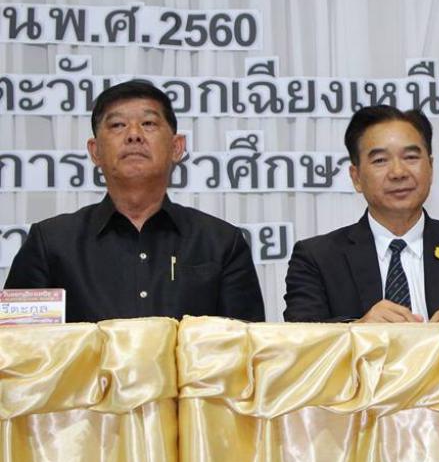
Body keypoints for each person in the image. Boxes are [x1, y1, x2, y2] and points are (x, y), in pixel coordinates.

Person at [4, 80, 265, 322]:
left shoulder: (222, 243)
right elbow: (21, 346)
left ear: (176, 147)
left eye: (148, 123)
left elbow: (245, 346)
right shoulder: (51, 243)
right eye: (117, 125)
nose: (134, 135)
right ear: (95, 151)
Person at [284, 105, 439, 323]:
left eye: (411, 157)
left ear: (431, 167)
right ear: (356, 178)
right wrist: (357, 331)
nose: (398, 172)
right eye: (380, 160)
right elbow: (302, 341)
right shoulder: (317, 258)